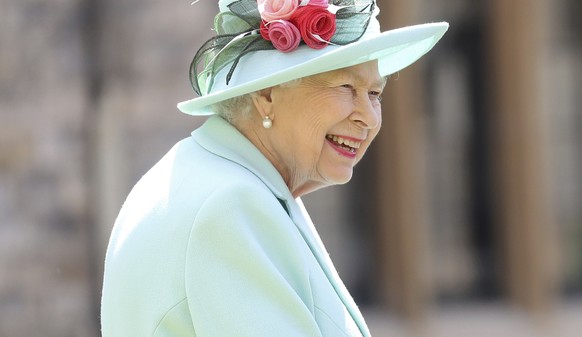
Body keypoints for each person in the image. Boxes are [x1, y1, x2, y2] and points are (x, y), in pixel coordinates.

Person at [100, 0, 447, 336]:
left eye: (375, 94)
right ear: (266, 95)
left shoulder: (223, 178)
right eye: (345, 87)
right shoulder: (232, 205)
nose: (368, 118)